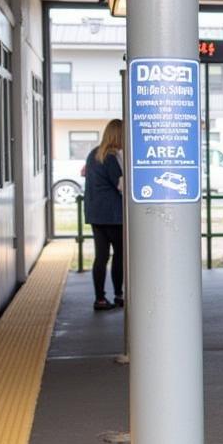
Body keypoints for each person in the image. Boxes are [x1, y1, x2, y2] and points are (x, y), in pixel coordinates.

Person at [83, 118, 125, 311]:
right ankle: (118, 295)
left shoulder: (94, 154)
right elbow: (120, 185)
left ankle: (99, 298)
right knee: (118, 255)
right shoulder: (110, 157)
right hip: (113, 215)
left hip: (95, 213)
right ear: (118, 134)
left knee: (101, 256)